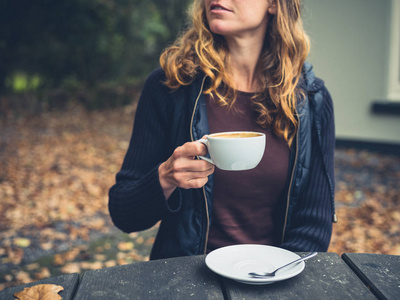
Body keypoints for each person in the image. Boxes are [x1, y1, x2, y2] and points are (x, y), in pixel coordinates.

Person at [108, 0, 337, 260]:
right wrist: (165, 178)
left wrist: (268, 276)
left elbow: (314, 226)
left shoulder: (312, 101)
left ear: (274, 4)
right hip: (184, 280)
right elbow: (123, 214)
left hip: (272, 279)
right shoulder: (170, 85)